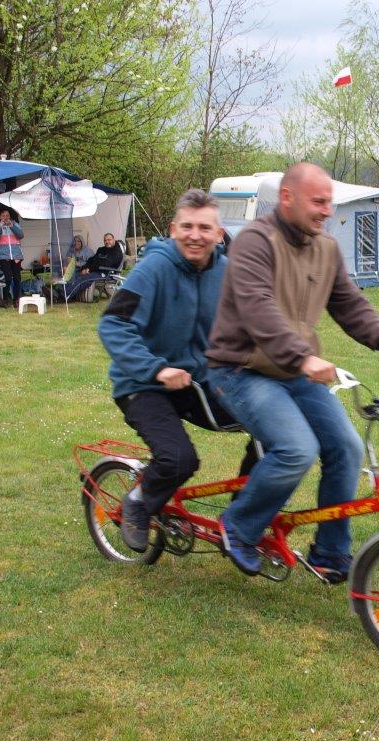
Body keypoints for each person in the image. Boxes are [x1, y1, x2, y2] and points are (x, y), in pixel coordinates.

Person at [205, 163, 379, 580]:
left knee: (346, 447)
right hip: (240, 369)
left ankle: (330, 552)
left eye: (329, 202)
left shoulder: (326, 248)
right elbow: (258, 309)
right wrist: (303, 357)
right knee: (297, 449)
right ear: (287, 198)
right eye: (318, 202)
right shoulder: (255, 243)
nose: (327, 211)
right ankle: (238, 526)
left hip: (292, 372)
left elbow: (348, 302)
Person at [98, 190, 257, 552]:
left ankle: (241, 520)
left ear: (219, 234)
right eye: (187, 227)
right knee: (179, 459)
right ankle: (138, 504)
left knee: (273, 432)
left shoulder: (226, 273)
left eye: (205, 228)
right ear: (173, 230)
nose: (195, 235)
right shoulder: (153, 269)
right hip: (143, 385)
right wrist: (156, 369)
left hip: (198, 383)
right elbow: (113, 324)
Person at [0, 209, 24, 308]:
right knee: (8, 277)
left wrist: (11, 226)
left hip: (16, 255)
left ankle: (16, 299)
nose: (5, 218)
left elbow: (21, 235)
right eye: (3, 215)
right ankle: (5, 298)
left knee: (17, 278)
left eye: (7, 215)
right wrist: (0, 227)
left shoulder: (15, 224)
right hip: (3, 255)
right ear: (0, 217)